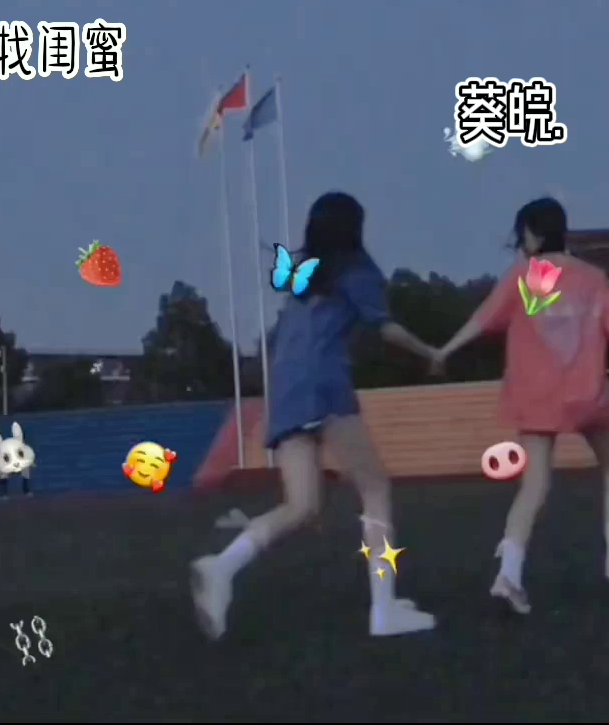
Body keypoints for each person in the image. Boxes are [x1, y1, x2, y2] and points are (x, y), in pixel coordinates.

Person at [190, 191, 439, 640]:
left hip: (285, 391)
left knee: (302, 506)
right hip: (324, 385)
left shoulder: (302, 277)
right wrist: (431, 353)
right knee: (375, 488)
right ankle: (384, 609)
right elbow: (385, 328)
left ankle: (222, 566)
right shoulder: (357, 270)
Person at [436, 197, 609, 614]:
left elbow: (483, 320)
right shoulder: (594, 279)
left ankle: (509, 575)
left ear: (531, 233)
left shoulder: (524, 276)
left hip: (534, 397)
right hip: (587, 394)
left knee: (534, 485)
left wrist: (445, 351)